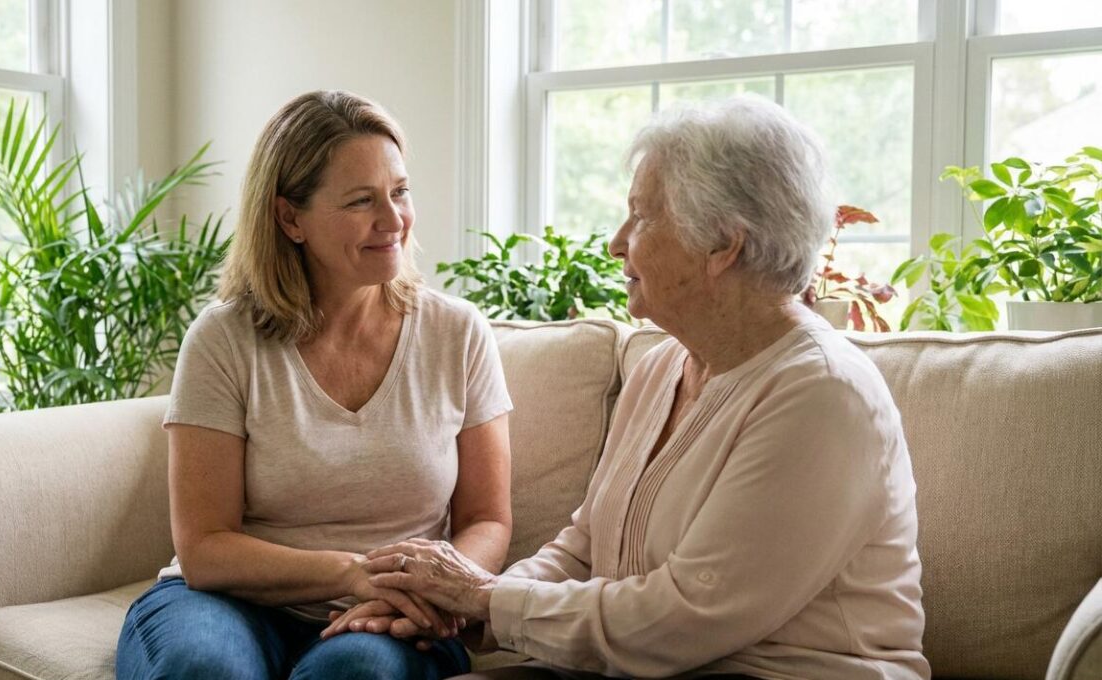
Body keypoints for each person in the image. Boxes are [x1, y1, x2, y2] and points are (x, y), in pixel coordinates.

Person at [326, 97, 930, 680]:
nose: (617, 241)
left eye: (642, 217)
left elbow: (685, 619)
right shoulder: (664, 366)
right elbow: (585, 549)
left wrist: (484, 597)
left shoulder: (822, 394)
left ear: (724, 243)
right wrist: (454, 606)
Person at [115, 90, 514, 680]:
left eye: (400, 192)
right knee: (203, 669)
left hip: (393, 614)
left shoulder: (457, 333)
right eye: (361, 200)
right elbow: (204, 547)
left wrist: (427, 591)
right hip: (227, 603)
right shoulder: (224, 339)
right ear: (289, 218)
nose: (393, 220)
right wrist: (352, 572)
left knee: (356, 674)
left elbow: (487, 520)